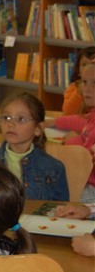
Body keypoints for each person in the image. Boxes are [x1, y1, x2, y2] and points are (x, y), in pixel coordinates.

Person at [0, 92, 68, 201]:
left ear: (38, 129)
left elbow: (60, 210)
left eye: (21, 119)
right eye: (6, 117)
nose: (10, 124)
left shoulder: (54, 168)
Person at [52, 63, 95, 204]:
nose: (86, 88)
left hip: (90, 187)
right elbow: (79, 121)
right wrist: (53, 122)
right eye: (84, 81)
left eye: (94, 83)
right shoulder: (92, 114)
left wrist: (72, 141)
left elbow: (85, 160)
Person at [62, 46, 95, 115]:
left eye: (92, 64)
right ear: (78, 70)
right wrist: (79, 92)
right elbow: (68, 112)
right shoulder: (73, 88)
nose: (87, 68)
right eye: (84, 64)